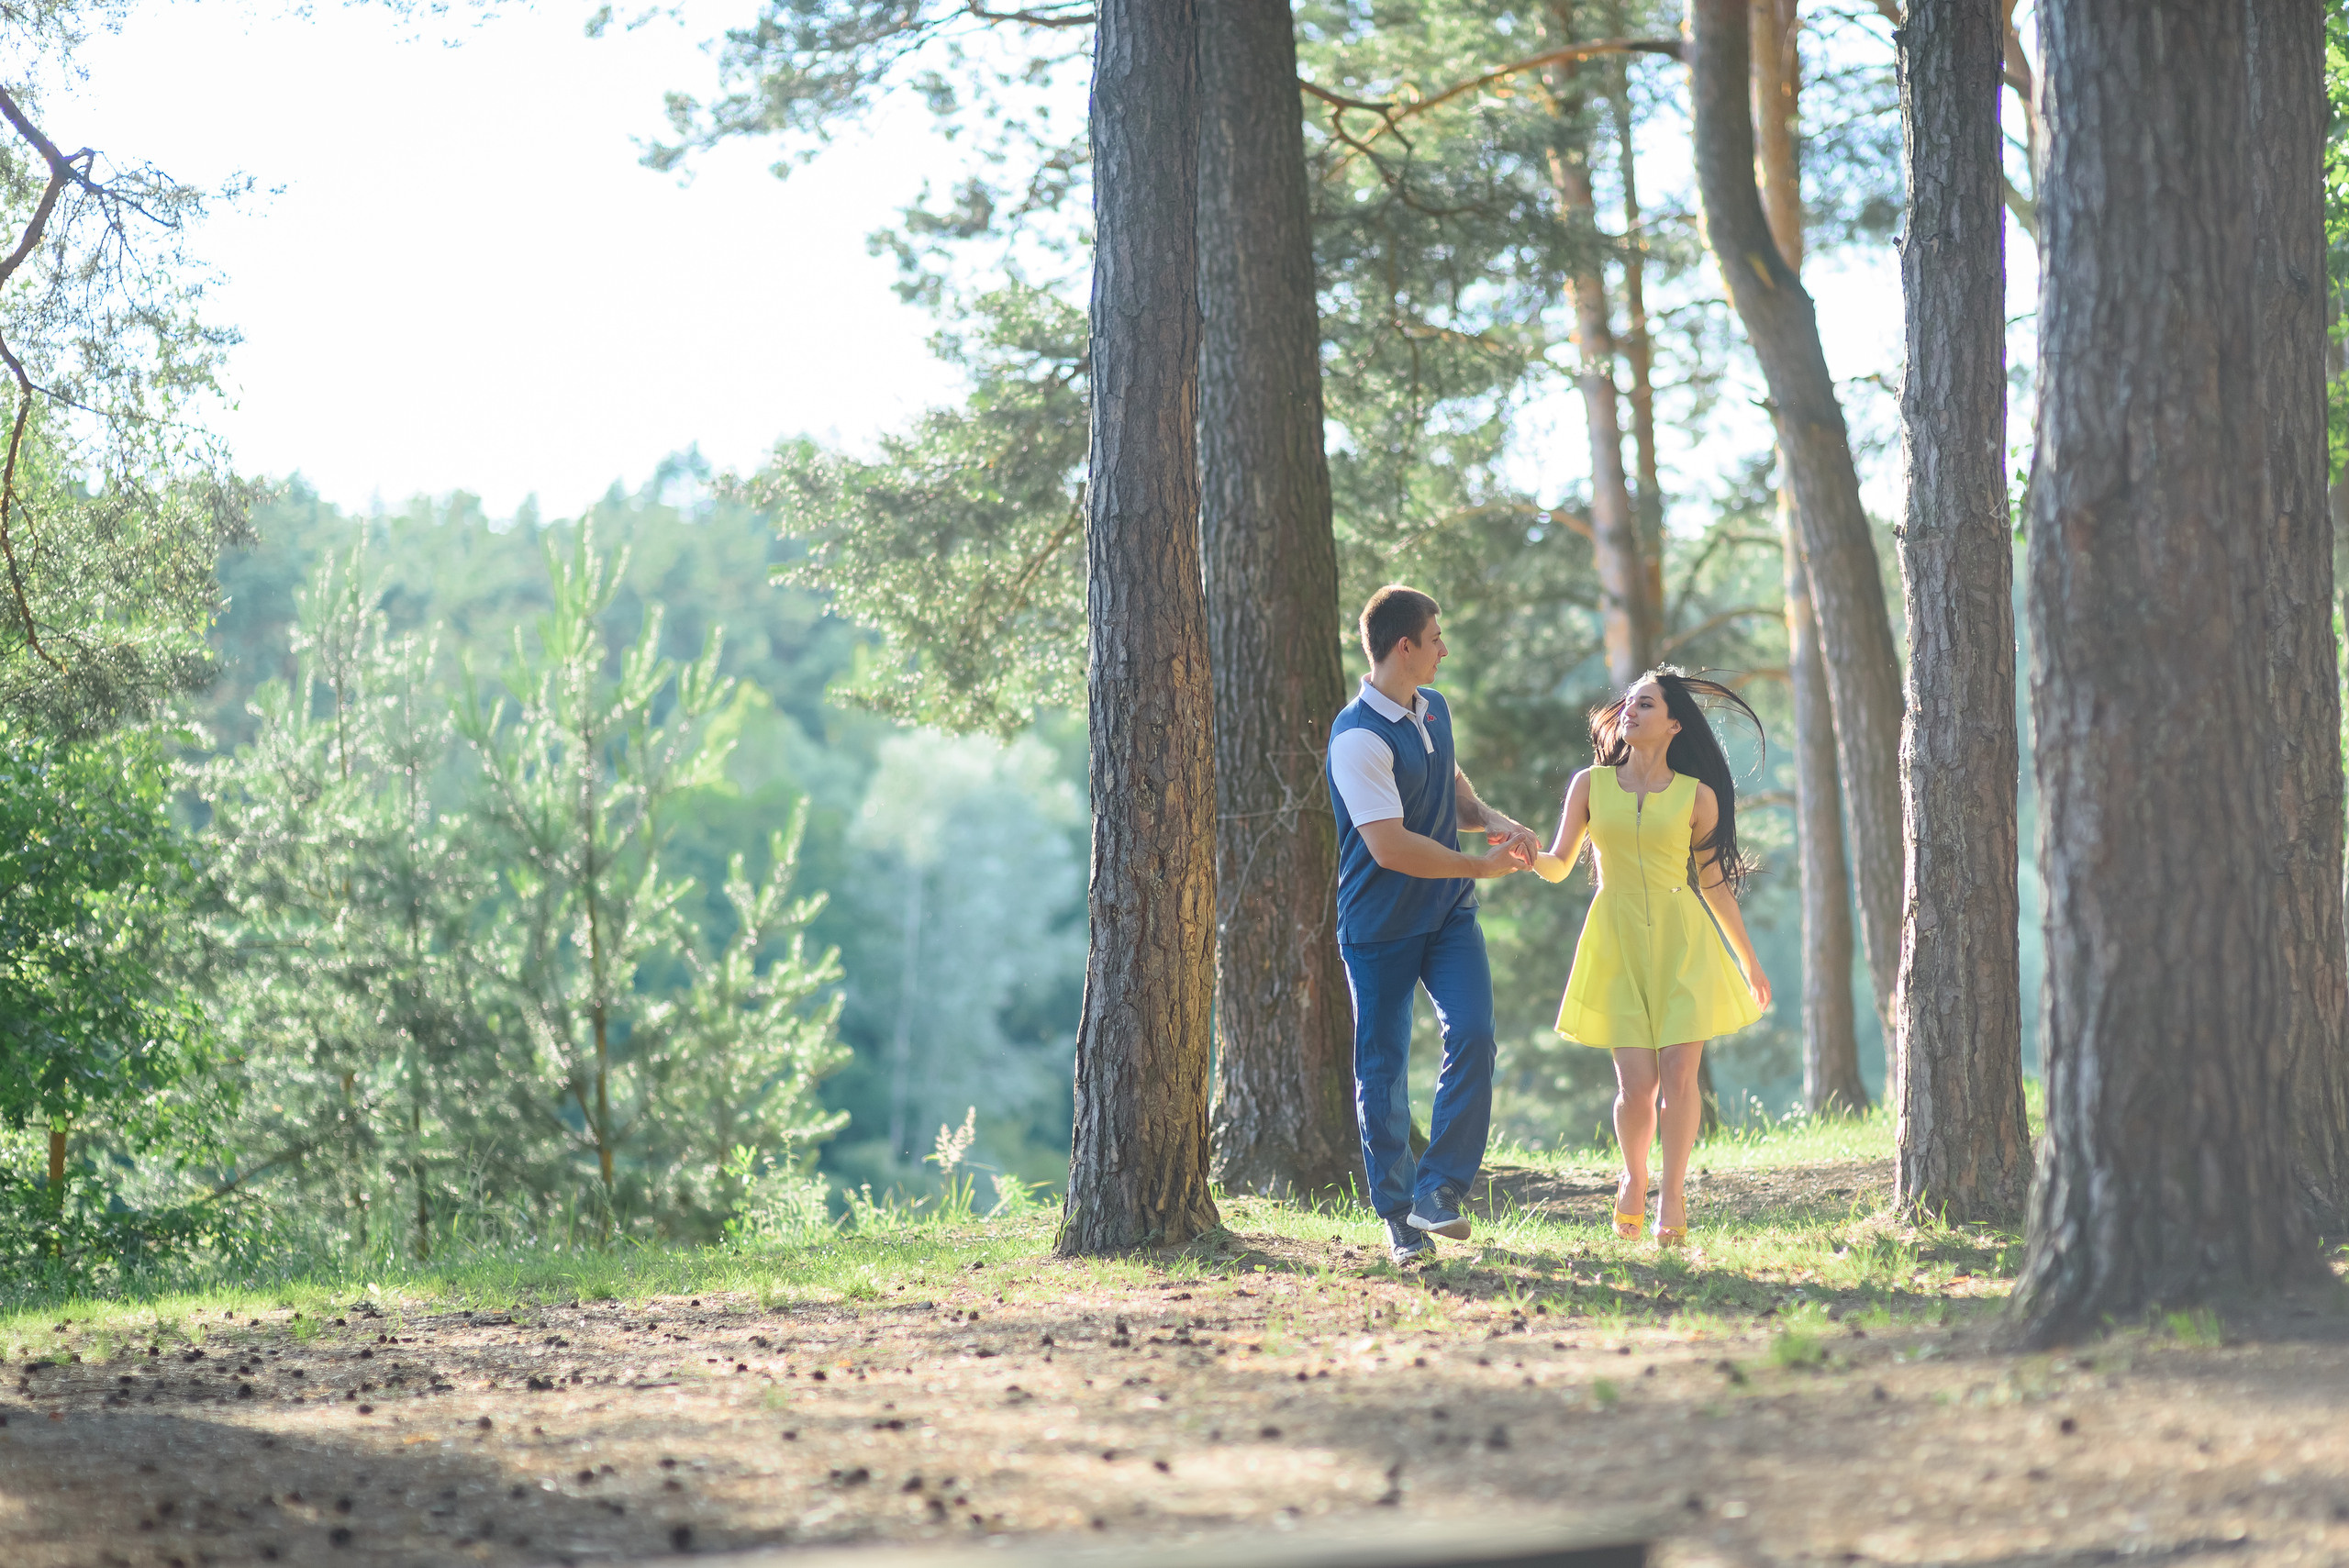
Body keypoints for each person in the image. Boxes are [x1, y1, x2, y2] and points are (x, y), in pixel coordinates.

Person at [1326, 585, 1541, 1265]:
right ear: (1404, 647)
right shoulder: (1357, 737)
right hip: (1381, 924)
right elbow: (1390, 846)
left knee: (1474, 1034)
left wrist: (1496, 821)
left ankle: (1439, 1191)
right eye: (1436, 637)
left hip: (1446, 917)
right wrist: (1477, 867)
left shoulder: (1433, 707)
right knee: (1382, 1070)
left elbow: (1451, 786)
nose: (1444, 648)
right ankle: (1399, 1219)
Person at [1533, 668, 1771, 1247]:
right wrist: (1524, 852)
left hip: (1681, 939)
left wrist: (1749, 962)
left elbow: (1714, 887)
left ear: (1673, 725)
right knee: (1636, 1087)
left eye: (1646, 705)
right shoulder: (1590, 785)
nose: (1630, 713)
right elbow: (1560, 864)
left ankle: (1674, 1192)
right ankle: (1634, 1177)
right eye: (1628, 705)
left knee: (1679, 1077)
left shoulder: (1698, 797)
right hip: (1614, 940)